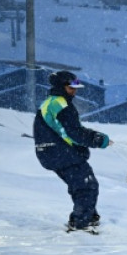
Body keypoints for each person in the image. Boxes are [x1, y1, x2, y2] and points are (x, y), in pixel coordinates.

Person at [33, 70, 113, 232]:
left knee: (82, 185)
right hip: (62, 153)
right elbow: (73, 132)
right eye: (71, 87)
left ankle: (87, 217)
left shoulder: (50, 102)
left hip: (51, 152)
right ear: (62, 86)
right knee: (86, 186)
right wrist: (97, 139)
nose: (75, 91)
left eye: (76, 87)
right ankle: (81, 223)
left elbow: (66, 129)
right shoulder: (61, 104)